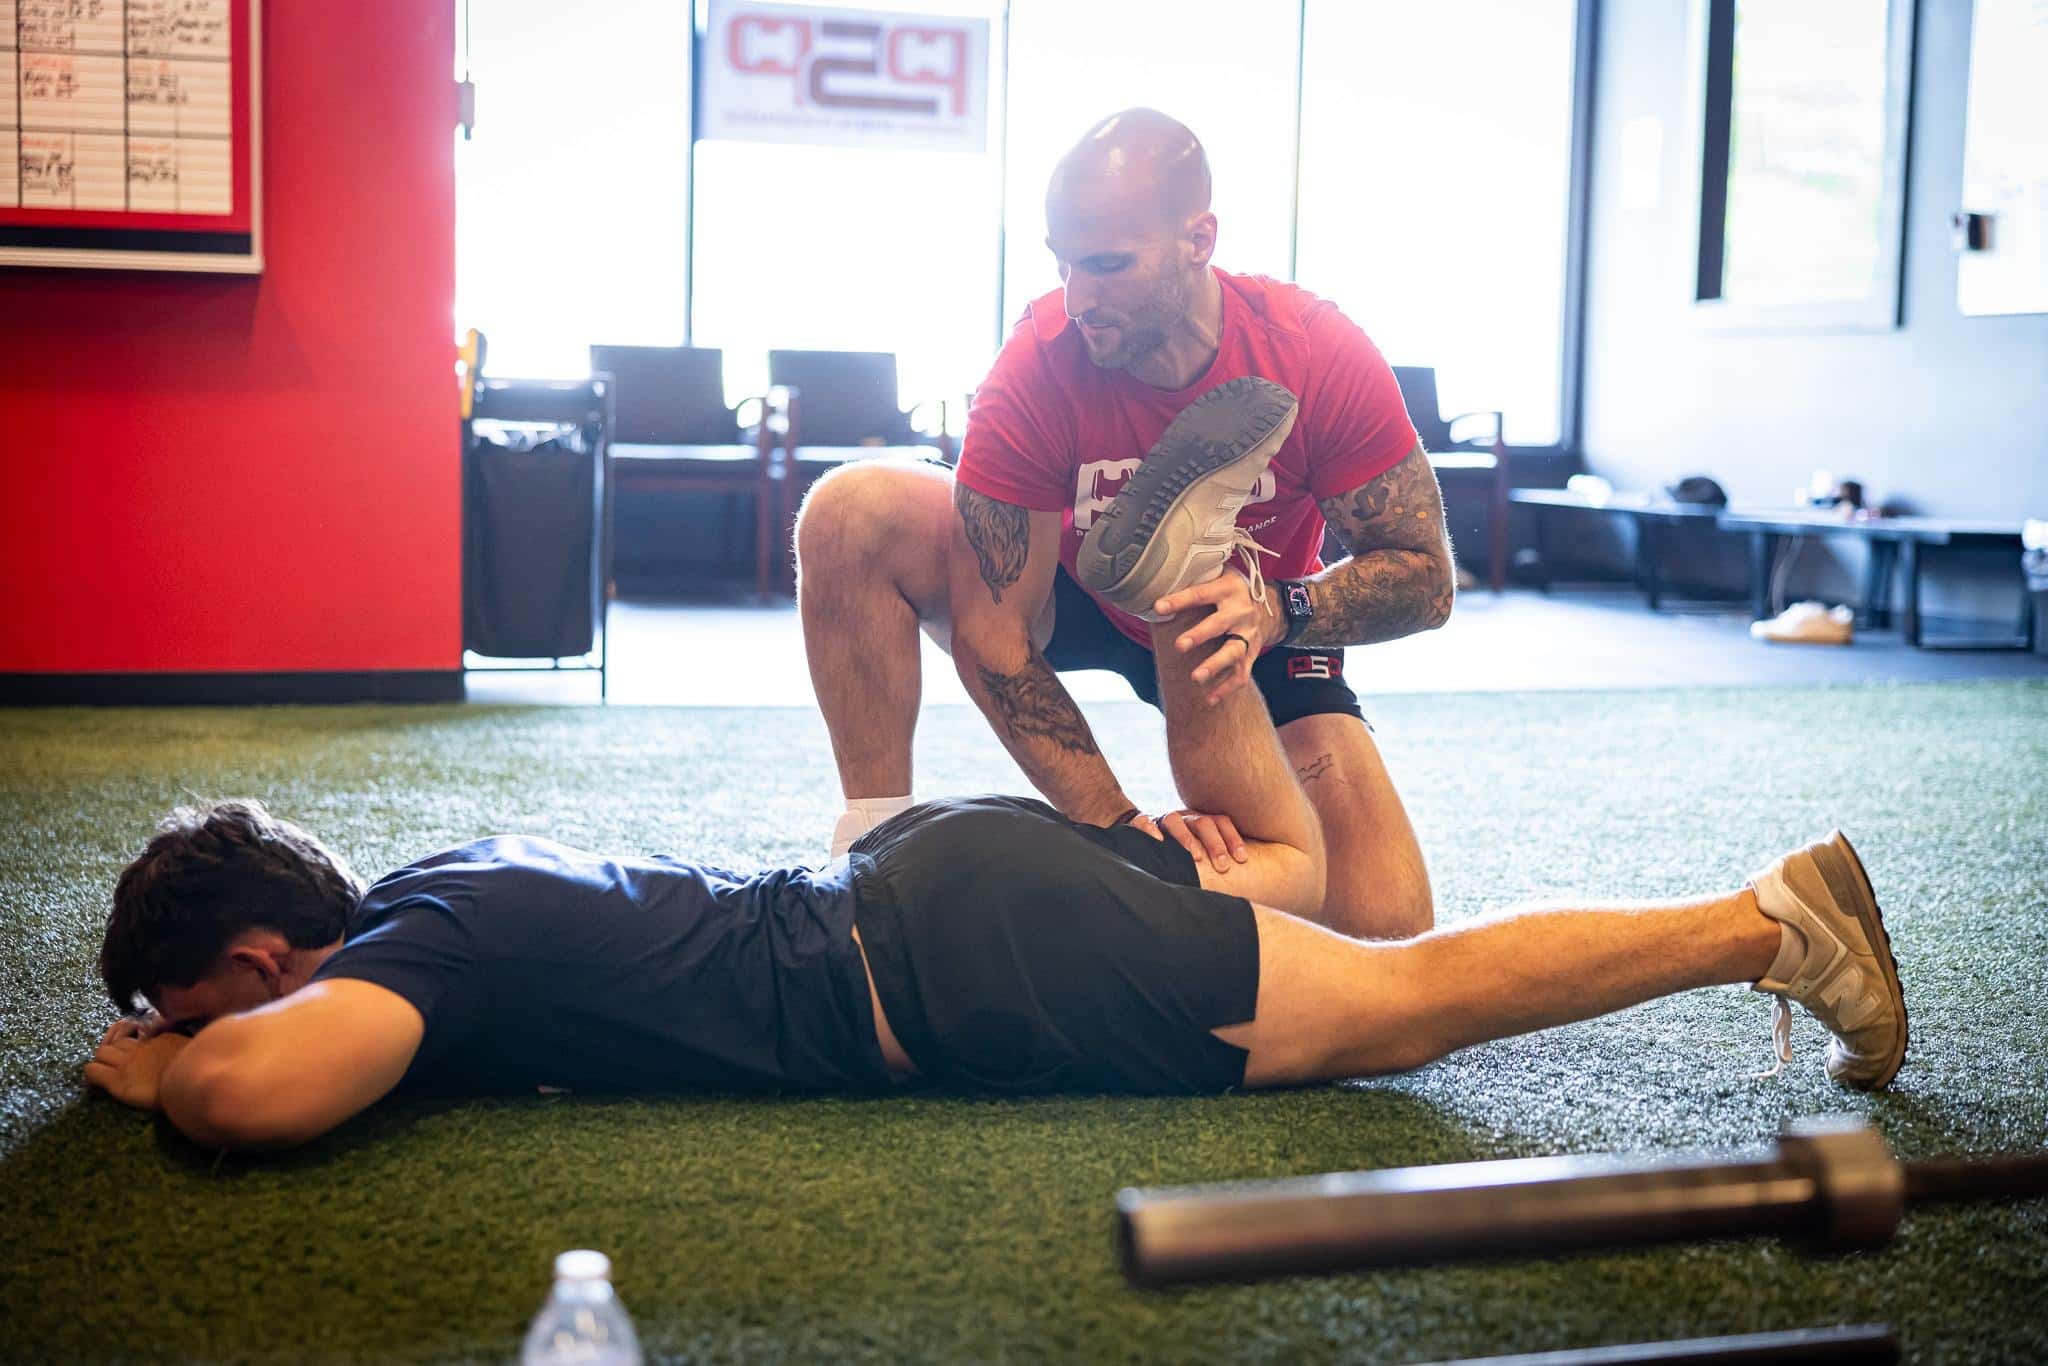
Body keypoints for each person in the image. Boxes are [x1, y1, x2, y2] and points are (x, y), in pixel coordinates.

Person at [83, 418, 1908, 1153]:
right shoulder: (454, 875)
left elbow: (254, 1097)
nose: (191, 1033)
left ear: (260, 961)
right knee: (1315, 912)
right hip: (946, 890)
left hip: (962, 957)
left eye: (197, 999)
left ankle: (1763, 925)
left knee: (1399, 1001)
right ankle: (1228, 730)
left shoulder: (417, 949)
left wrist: (178, 1067)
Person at [798, 108, 1453, 941]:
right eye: (1064, 264)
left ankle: (1186, 574)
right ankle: (873, 851)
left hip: (1245, 621)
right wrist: (1118, 825)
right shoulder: (1037, 363)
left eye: (1108, 265)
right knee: (851, 513)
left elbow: (1426, 580)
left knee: (1383, 925)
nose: (1079, 299)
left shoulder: (1312, 350)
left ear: (1199, 240)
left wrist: (1282, 610)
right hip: (1067, 587)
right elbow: (993, 636)